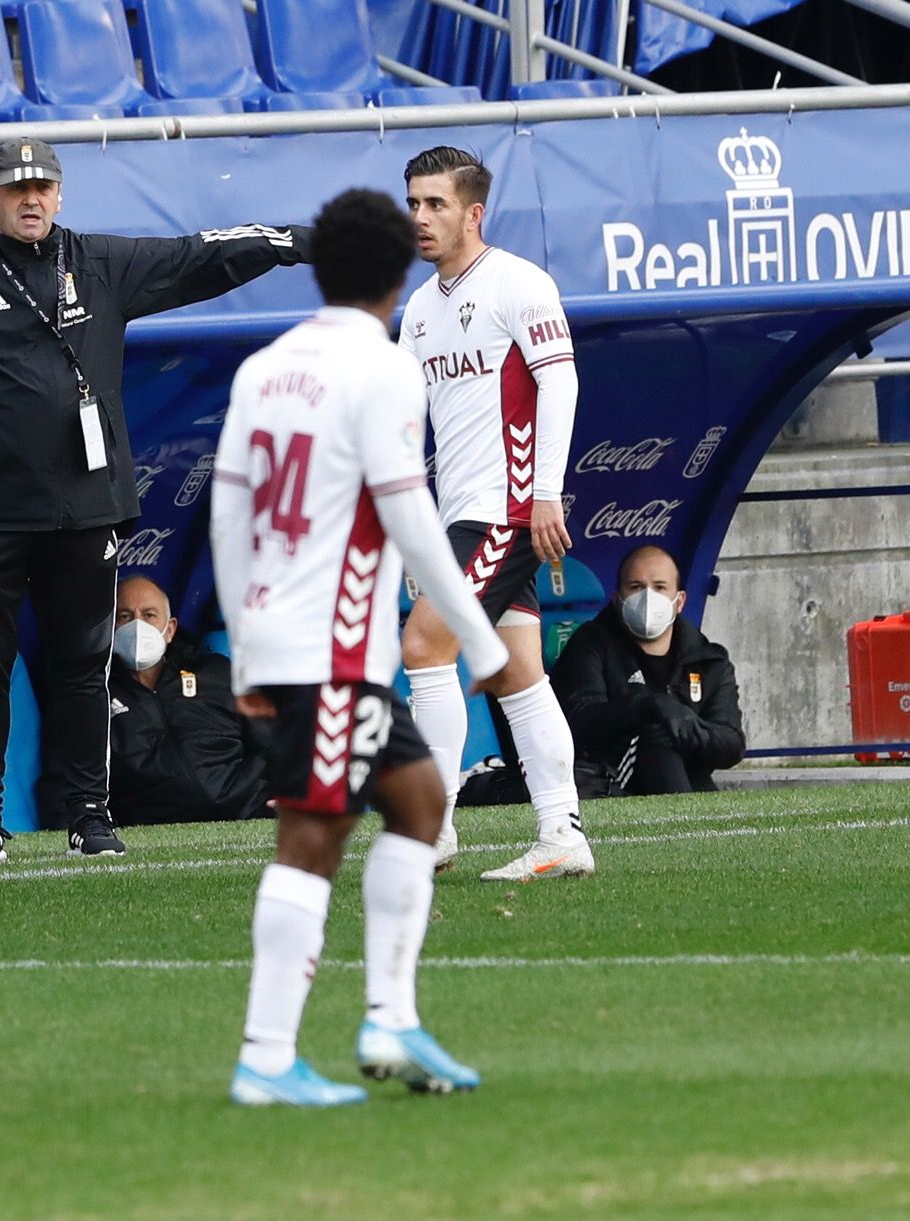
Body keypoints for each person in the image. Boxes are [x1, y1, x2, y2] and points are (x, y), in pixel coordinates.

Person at [0, 136, 315, 864]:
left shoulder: (98, 262)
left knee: (85, 665)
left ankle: (91, 816)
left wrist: (299, 242)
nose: (31, 198)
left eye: (43, 187)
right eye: (15, 187)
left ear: (59, 196)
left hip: (83, 507)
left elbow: (201, 254)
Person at [211, 187, 509, 1107]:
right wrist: (478, 635)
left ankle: (389, 1014)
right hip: (332, 647)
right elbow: (409, 514)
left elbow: (227, 511)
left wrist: (246, 646)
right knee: (312, 837)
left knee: (419, 800)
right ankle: (266, 1055)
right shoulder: (383, 369)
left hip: (292, 639)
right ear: (397, 273)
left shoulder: (264, 367)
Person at [396, 146, 594, 881]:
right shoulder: (418, 310)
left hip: (505, 509)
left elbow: (559, 385)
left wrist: (545, 491)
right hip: (460, 512)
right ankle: (560, 833)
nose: (420, 217)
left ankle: (431, 825)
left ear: (472, 212)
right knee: (516, 672)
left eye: (435, 204)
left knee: (423, 648)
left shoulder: (519, 283)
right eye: (413, 203)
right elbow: (411, 427)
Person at [552, 545, 746, 794]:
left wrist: (685, 726)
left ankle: (698, 825)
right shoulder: (591, 643)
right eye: (635, 587)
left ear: (680, 602)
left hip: (684, 770)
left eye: (660, 587)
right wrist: (648, 707)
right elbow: (582, 721)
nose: (647, 597)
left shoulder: (709, 659)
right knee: (656, 736)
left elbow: (731, 743)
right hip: (608, 778)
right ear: (617, 598)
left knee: (667, 739)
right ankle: (688, 825)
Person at [109, 576, 271, 825]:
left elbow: (269, 741)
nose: (138, 626)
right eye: (125, 616)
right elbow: (74, 779)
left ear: (171, 629)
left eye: (150, 615)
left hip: (248, 813)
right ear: (111, 628)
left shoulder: (215, 672)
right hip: (154, 830)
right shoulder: (97, 695)